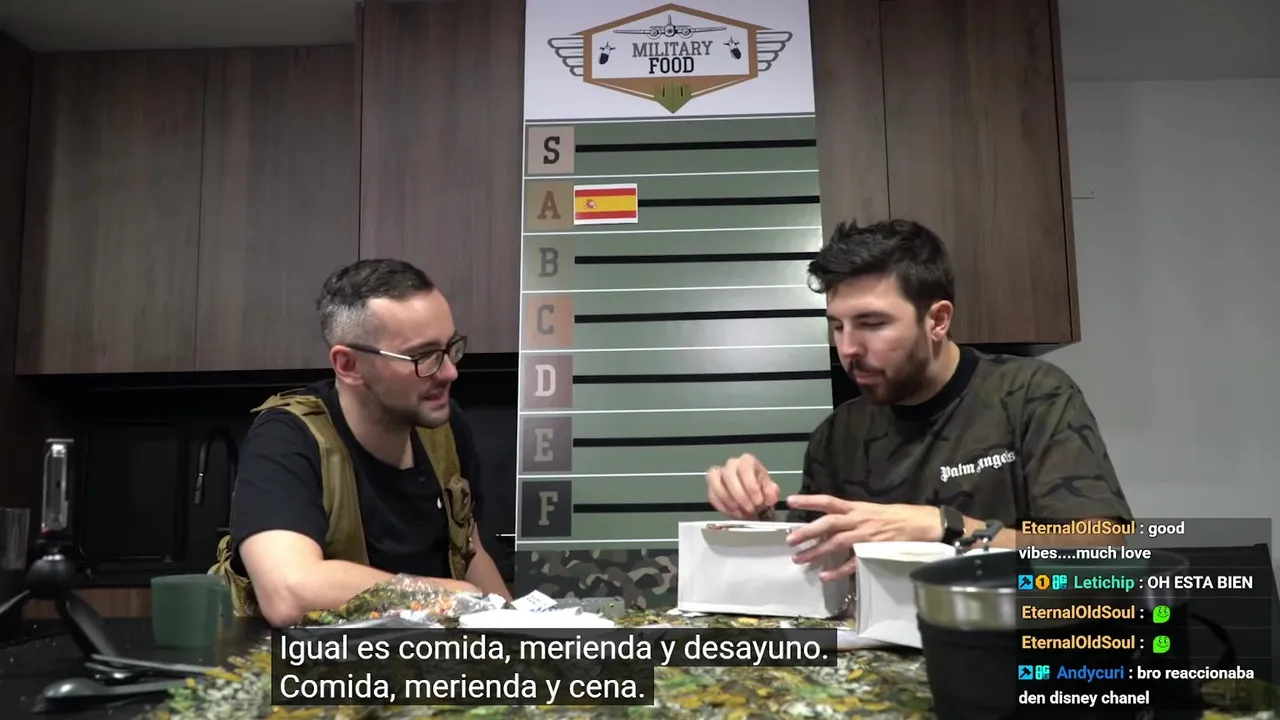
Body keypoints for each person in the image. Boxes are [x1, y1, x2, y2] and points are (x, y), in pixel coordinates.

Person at [705, 219, 1132, 581]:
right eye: (838, 326)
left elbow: (1101, 553)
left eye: (872, 323)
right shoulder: (837, 436)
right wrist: (755, 516)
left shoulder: (1031, 396)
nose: (848, 348)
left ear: (938, 320)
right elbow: (812, 565)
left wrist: (945, 528)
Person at [211, 259, 511, 627]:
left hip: (418, 659)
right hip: (308, 662)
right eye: (423, 356)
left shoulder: (443, 427)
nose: (450, 371)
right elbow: (289, 591)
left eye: (450, 347)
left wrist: (522, 631)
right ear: (349, 365)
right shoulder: (287, 438)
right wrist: (448, 594)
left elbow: (470, 551)